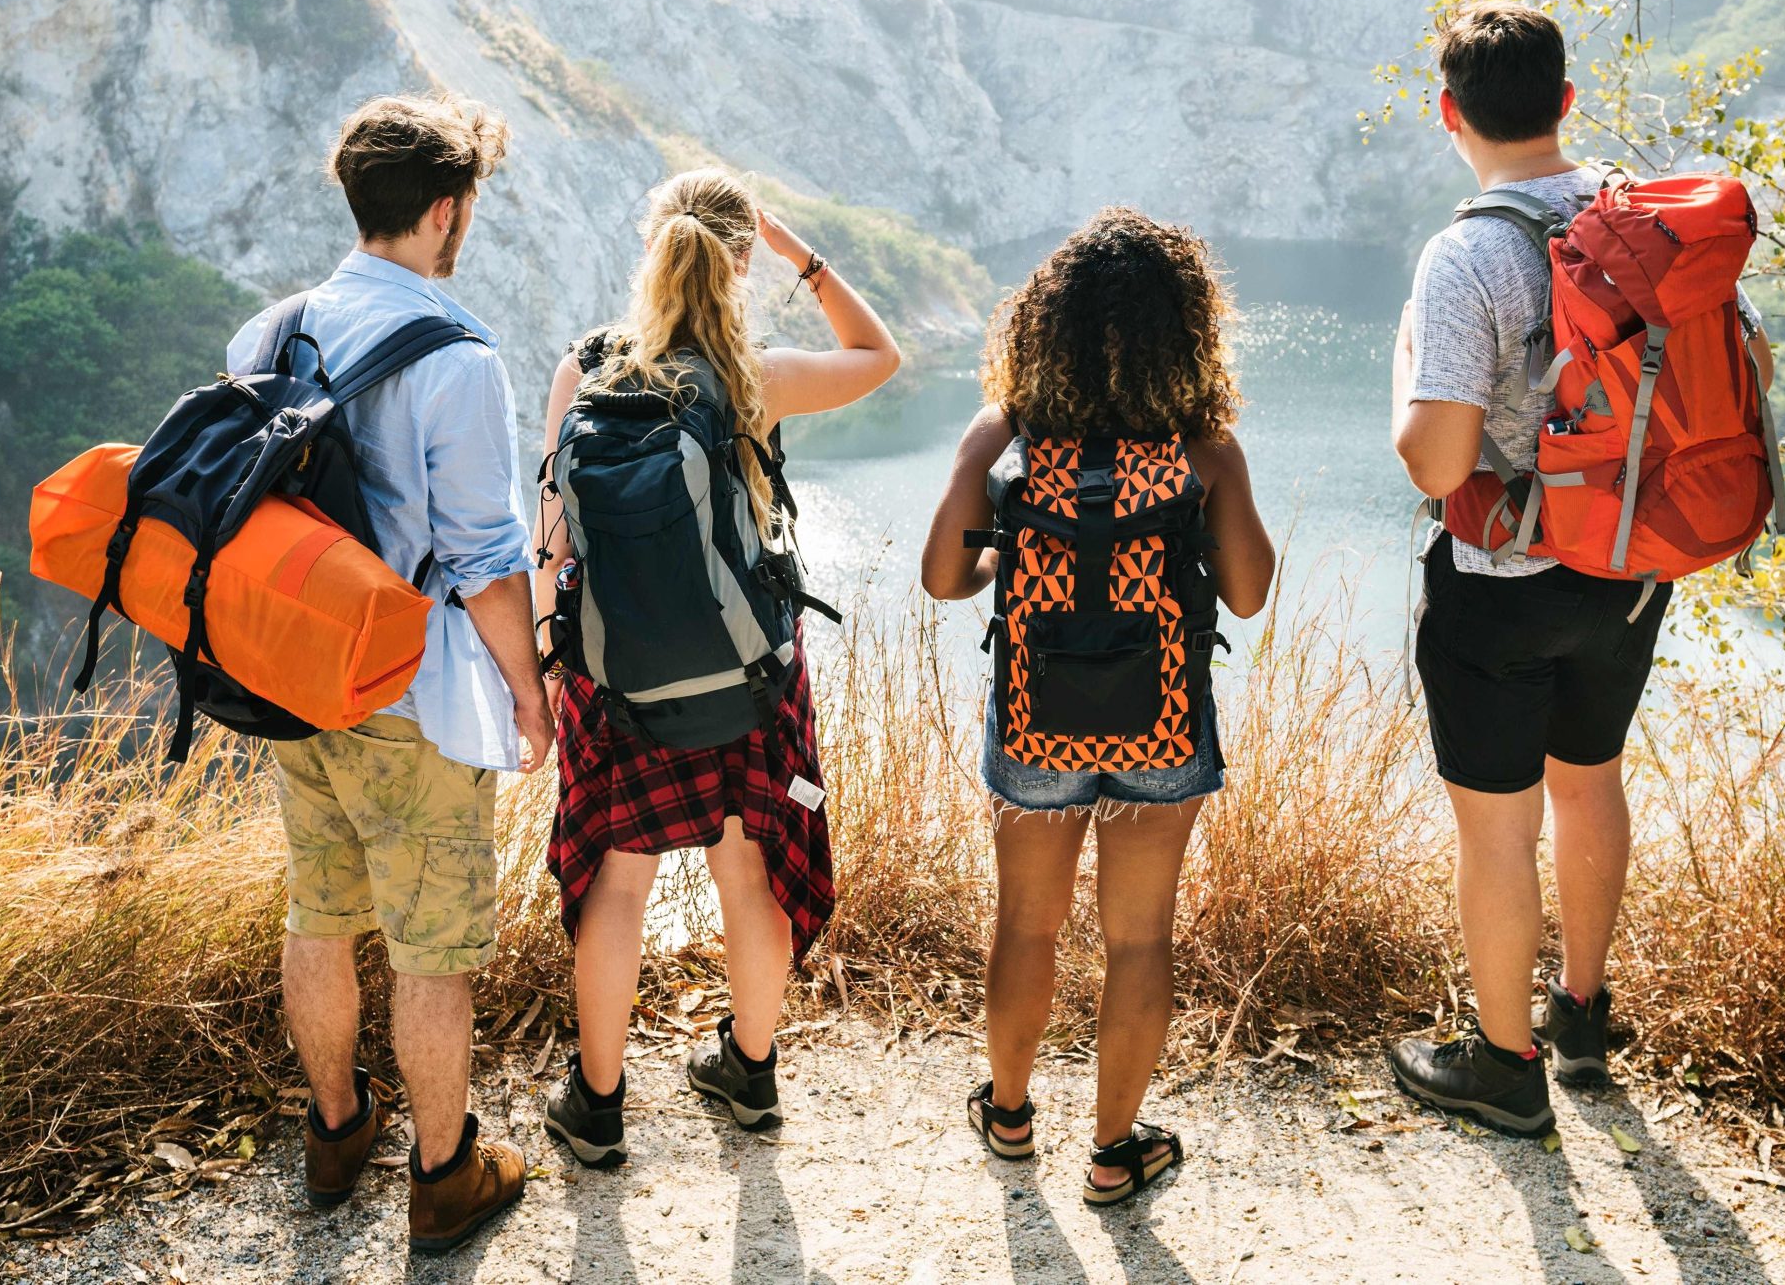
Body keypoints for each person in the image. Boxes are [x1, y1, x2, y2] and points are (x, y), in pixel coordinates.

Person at [1387, 1, 1773, 1135]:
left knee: (1497, 825)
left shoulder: (1467, 251)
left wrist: (1403, 367)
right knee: (1589, 776)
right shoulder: (1643, 223)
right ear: (1564, 100)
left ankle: (1502, 1065)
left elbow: (1435, 460)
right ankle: (1581, 1019)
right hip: (1631, 567)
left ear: (1447, 114)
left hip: (1499, 586)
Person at [225, 94, 550, 1253]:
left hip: (291, 680)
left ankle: (335, 1128)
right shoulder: (457, 357)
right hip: (412, 695)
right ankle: (444, 1173)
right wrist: (527, 691)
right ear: (449, 210)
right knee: (433, 949)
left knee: (318, 909)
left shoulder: (265, 335)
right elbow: (485, 558)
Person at [536, 168, 899, 1166]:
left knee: (618, 882)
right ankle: (748, 1070)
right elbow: (880, 353)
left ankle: (598, 1105)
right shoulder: (750, 378)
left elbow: (551, 542)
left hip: (616, 687)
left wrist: (548, 667)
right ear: (738, 262)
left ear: (650, 249)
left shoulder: (587, 369)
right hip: (751, 679)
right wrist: (803, 257)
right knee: (749, 871)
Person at [919, 209, 1275, 1207]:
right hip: (1162, 721)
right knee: (1138, 938)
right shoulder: (1202, 447)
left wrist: (1016, 547)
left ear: (1047, 326)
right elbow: (1246, 593)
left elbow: (945, 577)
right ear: (1186, 331)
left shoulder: (1009, 432)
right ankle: (1116, 1149)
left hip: (1036, 714)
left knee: (1025, 925)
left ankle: (1008, 1113)